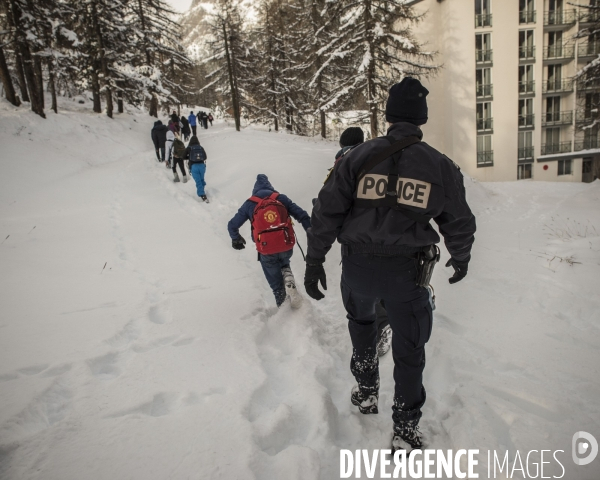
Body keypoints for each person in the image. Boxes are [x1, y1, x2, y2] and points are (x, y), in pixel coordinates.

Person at [304, 77, 476, 454]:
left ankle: (366, 391)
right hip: (406, 275)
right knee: (409, 349)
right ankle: (405, 428)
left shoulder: (357, 157)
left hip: (357, 270)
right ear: (422, 118)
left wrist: (315, 258)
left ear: (388, 115)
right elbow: (459, 221)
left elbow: (326, 210)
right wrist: (460, 257)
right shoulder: (439, 166)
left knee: (362, 326)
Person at [228, 174, 311, 308]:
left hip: (266, 249)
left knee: (276, 286)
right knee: (284, 261)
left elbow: (232, 225)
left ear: (255, 190)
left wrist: (236, 239)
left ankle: (284, 309)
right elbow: (302, 214)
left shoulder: (250, 203)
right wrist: (310, 230)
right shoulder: (280, 198)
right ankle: (287, 274)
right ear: (271, 188)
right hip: (286, 245)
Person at [185, 135, 209, 203]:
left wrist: (189, 157)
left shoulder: (189, 148)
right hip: (202, 166)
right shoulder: (201, 147)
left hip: (194, 166)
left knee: (198, 181)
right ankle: (202, 190)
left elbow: (183, 156)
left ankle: (202, 195)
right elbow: (205, 157)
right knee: (201, 180)